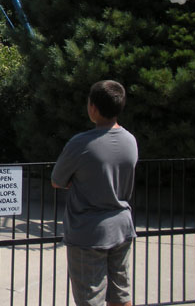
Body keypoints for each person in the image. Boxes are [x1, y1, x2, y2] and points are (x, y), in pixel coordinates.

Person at [51, 80, 138, 306]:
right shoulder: (131, 141)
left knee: (90, 299)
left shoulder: (81, 144)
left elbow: (57, 180)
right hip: (122, 226)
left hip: (88, 233)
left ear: (93, 108)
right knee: (121, 295)